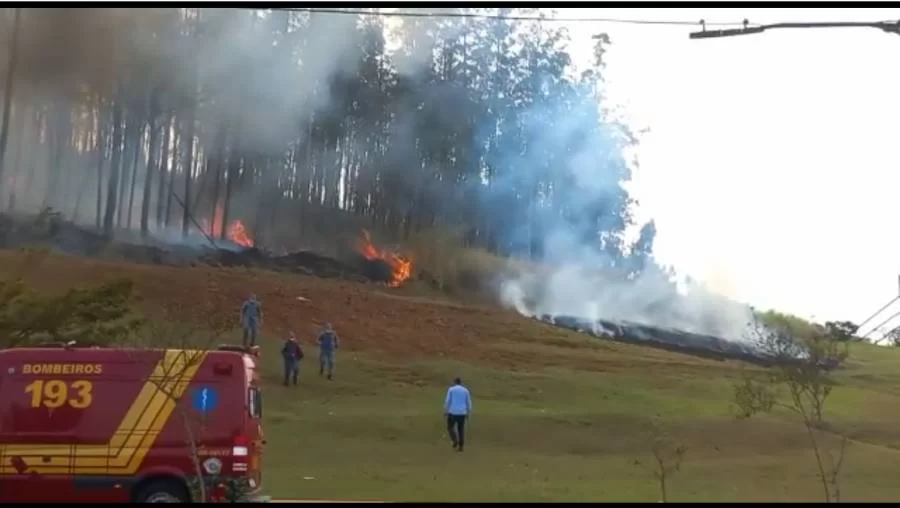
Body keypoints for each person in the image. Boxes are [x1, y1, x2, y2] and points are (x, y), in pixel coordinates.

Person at [443, 377, 472, 452]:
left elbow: (448, 400)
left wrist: (445, 410)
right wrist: (469, 411)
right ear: (460, 382)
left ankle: (455, 440)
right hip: (462, 412)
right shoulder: (465, 390)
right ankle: (461, 446)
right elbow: (468, 401)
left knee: (450, 427)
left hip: (452, 412)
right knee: (461, 429)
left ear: (454, 382)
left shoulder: (451, 389)